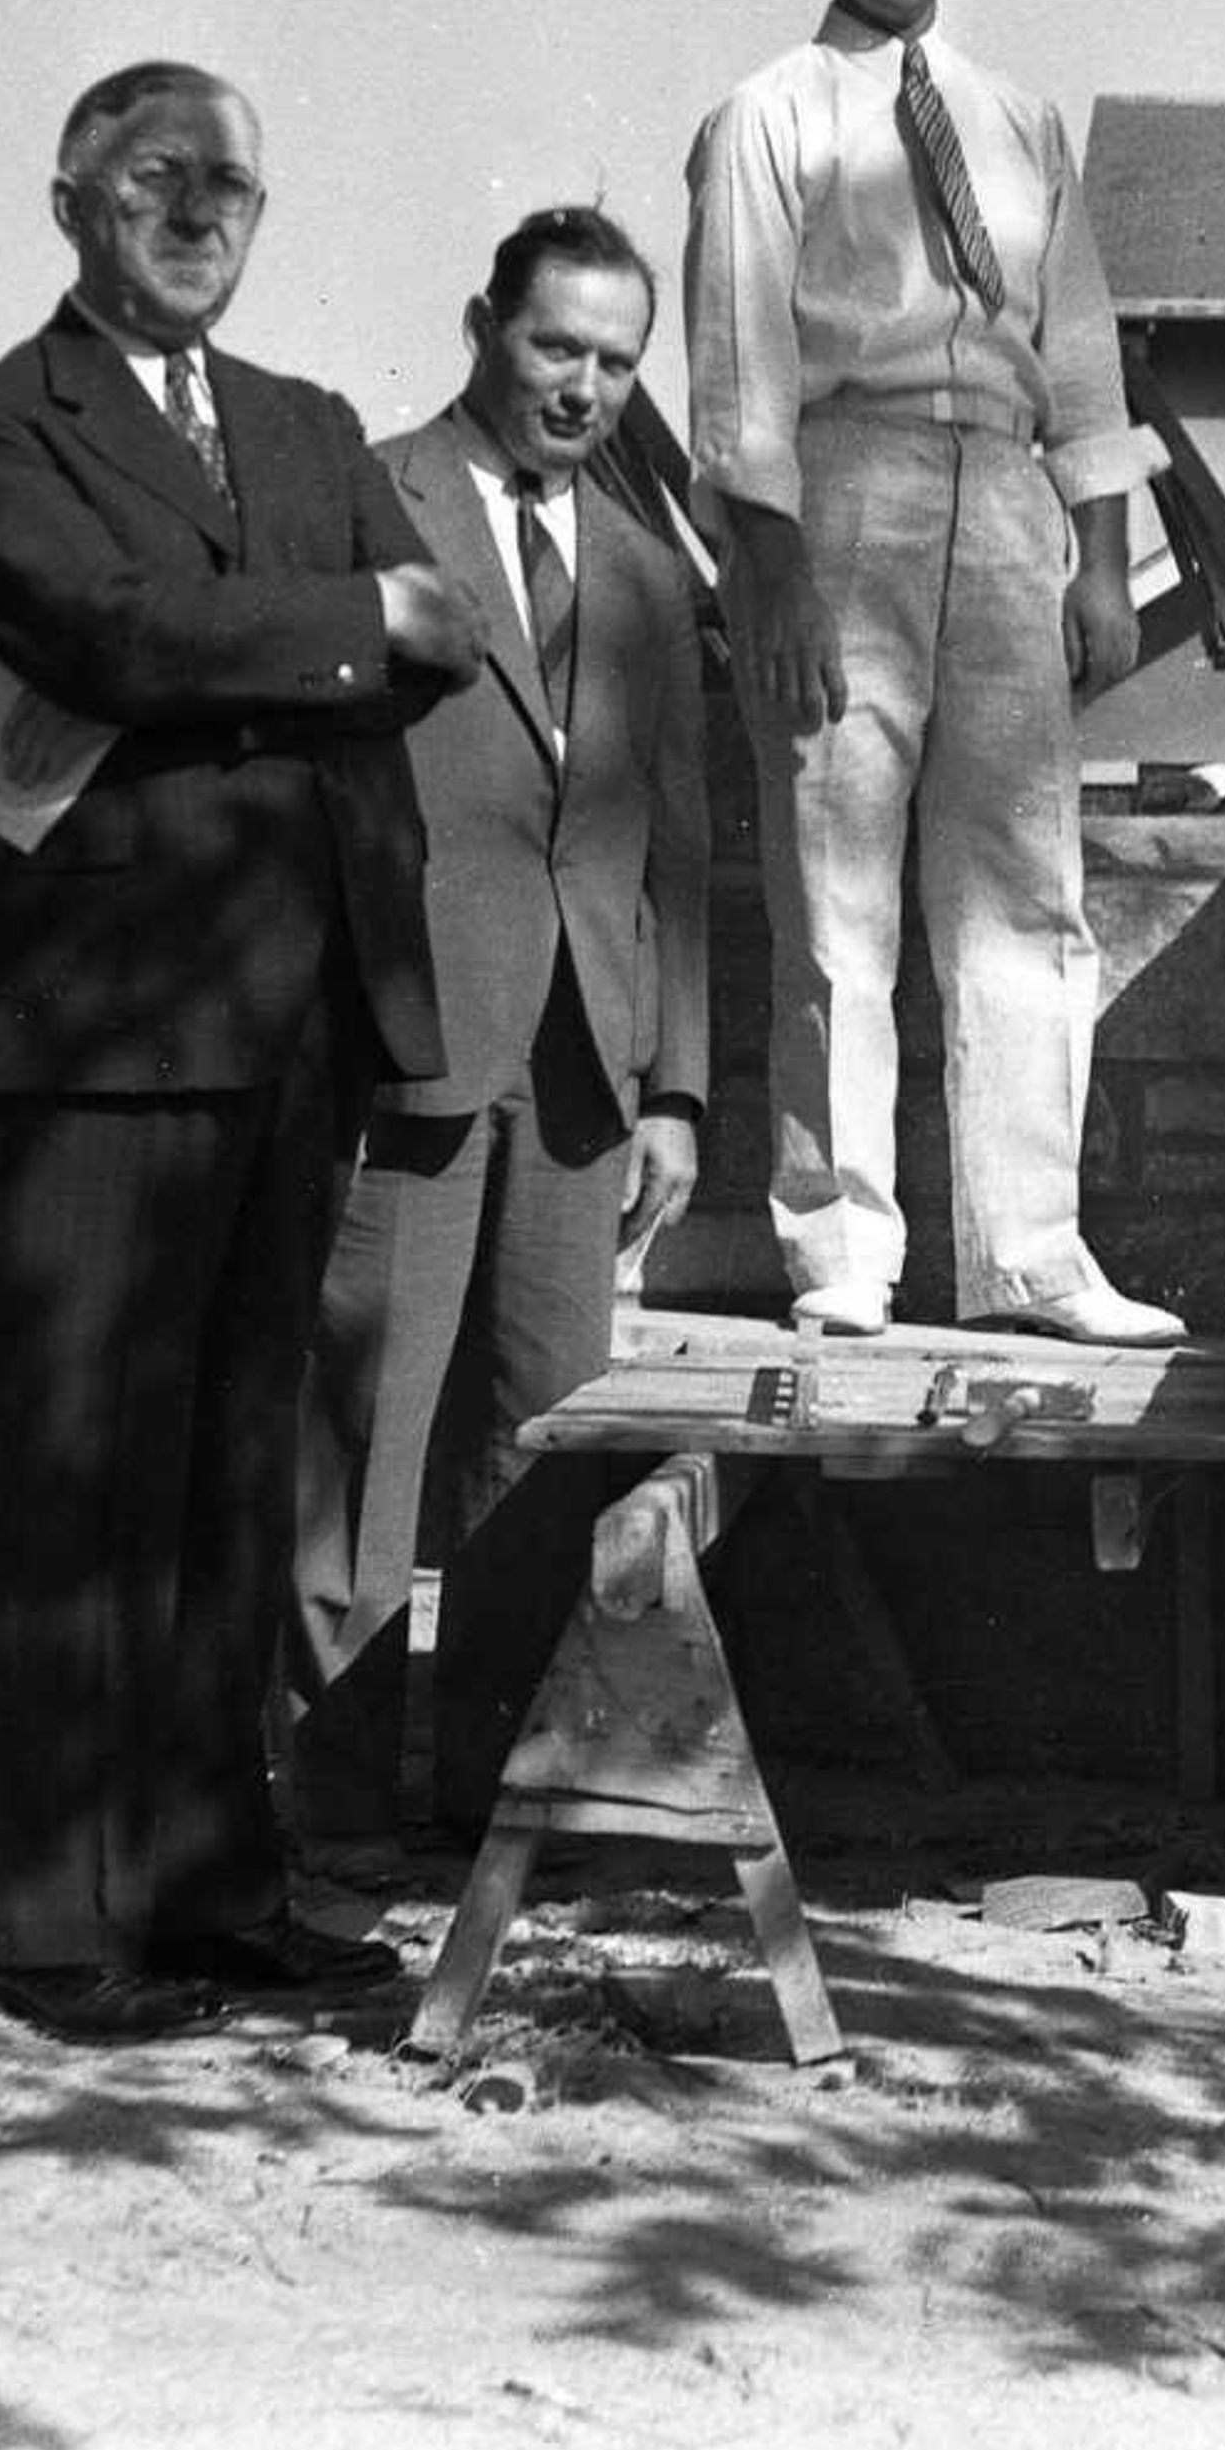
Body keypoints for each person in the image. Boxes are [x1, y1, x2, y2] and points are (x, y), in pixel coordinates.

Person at [0, 61, 485, 2039]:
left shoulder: (311, 425)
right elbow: (104, 636)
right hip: (90, 1029)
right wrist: (324, 623)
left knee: (240, 1474)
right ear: (71, 196)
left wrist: (239, 634)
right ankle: (49, 1927)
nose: (201, 209)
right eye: (160, 175)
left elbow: (447, 636)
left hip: (291, 1009)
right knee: (76, 1477)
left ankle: (211, 1885)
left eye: (234, 180)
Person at [686, 0, 1180, 1346]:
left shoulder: (1021, 125)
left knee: (1027, 888)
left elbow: (1083, 358)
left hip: (1006, 494)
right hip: (845, 490)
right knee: (836, 894)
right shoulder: (769, 117)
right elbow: (739, 368)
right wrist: (769, 582)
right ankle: (842, 1253)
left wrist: (1100, 565)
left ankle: (1030, 1248)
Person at [285, 207, 711, 1850]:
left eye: (616, 361)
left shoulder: (649, 571)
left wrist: (674, 1083)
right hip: (408, 1048)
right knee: (364, 1445)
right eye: (556, 348)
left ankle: (494, 1824)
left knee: (542, 1458)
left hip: (584, 1079)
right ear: (482, 326)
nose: (584, 387)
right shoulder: (363, 505)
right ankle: (326, 1827)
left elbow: (677, 837)